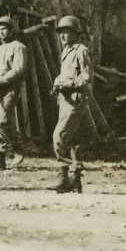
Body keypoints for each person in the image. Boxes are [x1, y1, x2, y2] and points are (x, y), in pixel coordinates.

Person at [50, 15, 92, 193]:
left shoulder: (81, 51)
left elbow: (87, 76)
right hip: (65, 100)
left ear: (76, 34)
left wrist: (69, 84)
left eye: (67, 32)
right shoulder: (65, 52)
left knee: (59, 137)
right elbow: (65, 74)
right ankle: (75, 180)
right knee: (72, 140)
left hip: (75, 100)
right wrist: (58, 81)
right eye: (61, 32)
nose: (63, 36)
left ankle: (63, 177)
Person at [0, 15, 28, 171]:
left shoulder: (19, 47)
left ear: (11, 30)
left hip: (10, 89)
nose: (2, 32)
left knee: (2, 122)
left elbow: (18, 70)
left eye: (5, 29)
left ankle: (18, 149)